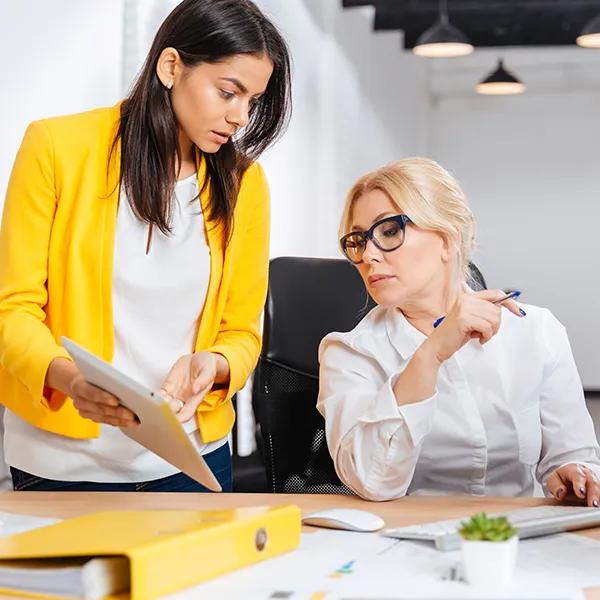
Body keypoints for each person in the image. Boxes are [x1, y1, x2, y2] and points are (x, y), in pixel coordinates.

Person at [0, 0, 291, 492]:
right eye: (228, 92)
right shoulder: (56, 148)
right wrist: (69, 380)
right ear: (171, 66)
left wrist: (214, 366)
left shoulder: (245, 184)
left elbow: (242, 331)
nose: (240, 116)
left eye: (253, 101)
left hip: (191, 459)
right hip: (64, 463)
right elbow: (12, 310)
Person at [317, 157, 600, 504]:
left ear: (448, 240)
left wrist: (573, 471)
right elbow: (373, 482)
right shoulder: (349, 352)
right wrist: (431, 354)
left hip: (515, 537)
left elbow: (573, 454)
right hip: (407, 538)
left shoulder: (536, 331)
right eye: (358, 240)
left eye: (388, 231)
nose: (368, 256)